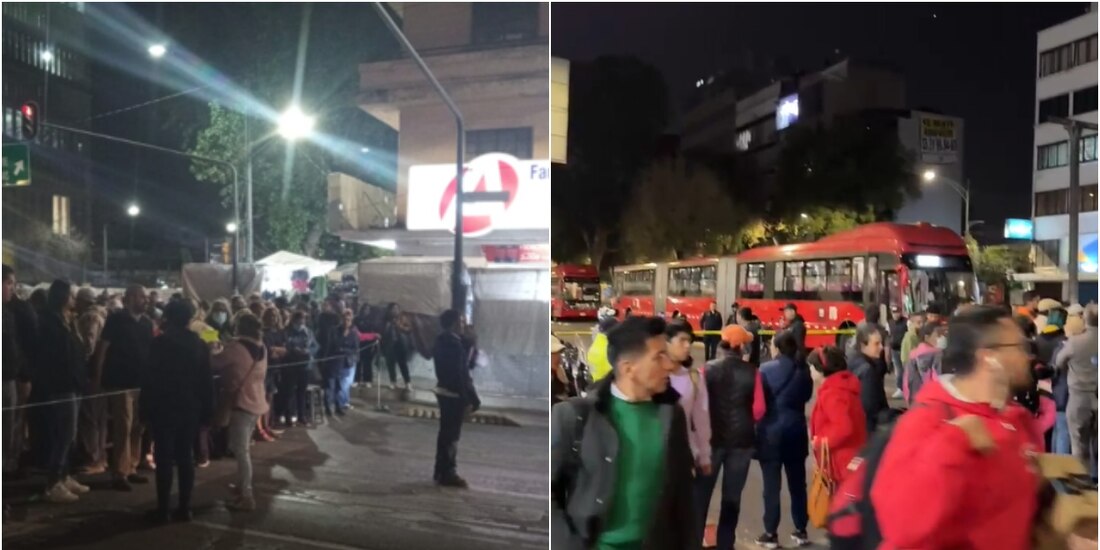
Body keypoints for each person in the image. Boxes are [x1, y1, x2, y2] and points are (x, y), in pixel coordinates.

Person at [870, 306, 1044, 549]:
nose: (1028, 356)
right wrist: (954, 441)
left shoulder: (1016, 419)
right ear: (988, 358)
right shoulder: (927, 422)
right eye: (1020, 347)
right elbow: (901, 524)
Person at [550, 316, 696, 549]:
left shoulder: (671, 415)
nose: (669, 365)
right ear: (628, 368)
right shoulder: (575, 416)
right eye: (659, 356)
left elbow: (684, 495)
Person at [141, 300, 213, 522]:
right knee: (185, 456)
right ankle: (184, 507)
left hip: (164, 406)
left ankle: (163, 509)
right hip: (190, 406)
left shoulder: (159, 343)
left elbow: (149, 378)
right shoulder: (199, 344)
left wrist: (144, 408)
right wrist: (207, 410)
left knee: (164, 458)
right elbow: (206, 381)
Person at [695, 325, 763, 550]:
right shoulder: (753, 372)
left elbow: (698, 405)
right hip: (741, 442)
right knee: (732, 499)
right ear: (740, 346)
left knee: (701, 496)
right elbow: (759, 409)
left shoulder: (706, 369)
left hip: (711, 440)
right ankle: (726, 544)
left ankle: (694, 541)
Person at [755, 330, 814, 549]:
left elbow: (759, 403)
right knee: (798, 484)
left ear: (778, 348)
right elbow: (807, 396)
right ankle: (801, 529)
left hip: (770, 432)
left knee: (771, 486)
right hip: (796, 430)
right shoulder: (803, 369)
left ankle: (771, 533)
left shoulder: (765, 369)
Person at [93, 284, 154, 492]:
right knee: (123, 426)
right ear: (130, 298)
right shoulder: (116, 320)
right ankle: (119, 472)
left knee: (137, 426)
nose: (145, 300)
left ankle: (132, 466)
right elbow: (103, 347)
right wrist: (98, 374)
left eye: (145, 297)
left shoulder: (146, 323)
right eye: (141, 297)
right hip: (120, 382)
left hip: (141, 382)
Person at [37, 280, 91, 503]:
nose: (74, 299)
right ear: (62, 296)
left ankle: (64, 475)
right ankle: (53, 483)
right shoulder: (49, 321)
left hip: (74, 382)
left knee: (70, 432)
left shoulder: (68, 320)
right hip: (61, 383)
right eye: (71, 295)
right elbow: (54, 354)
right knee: (64, 433)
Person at [211, 312, 268, 512]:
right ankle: (242, 486)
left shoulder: (236, 347)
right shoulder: (262, 347)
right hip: (257, 400)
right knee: (243, 448)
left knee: (241, 451)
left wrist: (212, 348)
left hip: (241, 402)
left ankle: (246, 495)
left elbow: (215, 363)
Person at [432, 310, 479, 488]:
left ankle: (441, 470)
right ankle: (448, 472)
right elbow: (460, 374)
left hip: (445, 391)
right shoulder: (452, 344)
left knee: (445, 434)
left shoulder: (444, 341)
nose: (463, 325)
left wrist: (470, 343)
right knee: (451, 436)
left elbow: (465, 366)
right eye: (461, 321)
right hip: (454, 394)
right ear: (453, 323)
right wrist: (469, 399)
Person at [807, 346, 866, 483]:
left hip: (842, 464)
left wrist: (819, 442)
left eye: (811, 366)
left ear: (820, 369)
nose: (809, 370)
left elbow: (844, 428)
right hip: (850, 459)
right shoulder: (841, 387)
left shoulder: (833, 394)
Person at [1055, 305, 1098, 478]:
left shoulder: (1075, 342)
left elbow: (1059, 362)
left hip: (1079, 397)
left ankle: (1081, 478)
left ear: (1085, 319)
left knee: (1078, 441)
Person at [666, 321, 712, 484]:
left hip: (684, 456)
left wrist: (704, 456)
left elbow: (702, 420)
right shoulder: (652, 377)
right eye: (682, 340)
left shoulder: (694, 378)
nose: (687, 346)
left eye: (689, 341)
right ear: (666, 342)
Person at [74, 288, 108, 474]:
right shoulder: (104, 314)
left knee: (89, 416)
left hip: (91, 371)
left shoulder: (90, 317)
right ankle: (100, 456)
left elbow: (89, 344)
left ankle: (92, 457)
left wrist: (82, 361)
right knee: (99, 417)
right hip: (102, 372)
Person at [847, 324, 890, 433]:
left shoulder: (853, 362)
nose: (881, 347)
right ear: (863, 345)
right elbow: (870, 408)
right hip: (869, 429)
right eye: (876, 344)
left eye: (881, 343)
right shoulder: (868, 371)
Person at [282, 311, 317, 426]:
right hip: (291, 365)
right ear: (294, 320)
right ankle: (288, 417)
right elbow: (285, 345)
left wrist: (308, 351)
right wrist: (293, 350)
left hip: (305, 366)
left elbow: (315, 346)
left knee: (302, 391)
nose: (302, 322)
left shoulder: (308, 332)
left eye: (304, 319)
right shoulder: (287, 331)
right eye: (299, 319)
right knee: (289, 392)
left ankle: (302, 416)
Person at [260, 308, 287, 438]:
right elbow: (269, 351)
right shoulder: (263, 333)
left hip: (277, 368)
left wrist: (277, 350)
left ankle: (269, 425)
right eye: (270, 316)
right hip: (266, 369)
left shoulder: (281, 332)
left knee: (270, 398)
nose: (273, 318)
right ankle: (262, 427)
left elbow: (285, 350)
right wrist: (278, 350)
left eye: (275, 316)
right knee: (264, 398)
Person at [335, 308, 361, 413]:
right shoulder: (337, 330)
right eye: (345, 319)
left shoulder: (354, 332)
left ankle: (345, 401)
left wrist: (354, 357)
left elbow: (355, 348)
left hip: (350, 361)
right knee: (342, 383)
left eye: (348, 320)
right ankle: (341, 403)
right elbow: (336, 345)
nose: (346, 322)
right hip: (339, 361)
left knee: (347, 383)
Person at [382, 303, 413, 389]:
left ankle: (407, 382)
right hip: (389, 344)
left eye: (397, 308)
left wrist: (399, 326)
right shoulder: (386, 319)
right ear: (389, 310)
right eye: (393, 308)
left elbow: (409, 329)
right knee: (390, 364)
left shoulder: (402, 318)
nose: (395, 310)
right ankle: (393, 381)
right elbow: (382, 331)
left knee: (403, 364)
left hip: (400, 344)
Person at [353, 303, 379, 388]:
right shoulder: (356, 319)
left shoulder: (372, 320)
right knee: (358, 362)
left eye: (368, 309)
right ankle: (356, 380)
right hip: (358, 343)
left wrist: (374, 341)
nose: (366, 311)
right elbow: (356, 332)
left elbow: (374, 332)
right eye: (365, 309)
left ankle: (367, 380)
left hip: (369, 344)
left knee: (367, 363)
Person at [888, 305, 908, 399]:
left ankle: (904, 388)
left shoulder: (906, 322)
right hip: (894, 350)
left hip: (904, 349)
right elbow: (888, 335)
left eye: (897, 312)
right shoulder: (890, 323)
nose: (896, 315)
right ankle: (900, 388)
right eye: (894, 313)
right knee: (898, 370)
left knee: (905, 370)